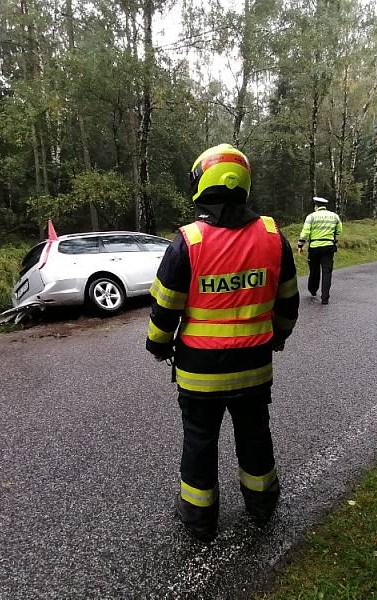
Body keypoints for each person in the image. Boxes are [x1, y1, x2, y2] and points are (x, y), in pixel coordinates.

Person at [145, 143, 299, 543]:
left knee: (199, 440)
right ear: (242, 186)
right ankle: (262, 507)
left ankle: (199, 521)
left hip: (200, 373)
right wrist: (277, 337)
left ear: (202, 184)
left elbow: (165, 310)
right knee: (254, 435)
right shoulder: (273, 237)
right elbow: (288, 304)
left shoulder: (188, 242)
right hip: (254, 367)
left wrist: (158, 345)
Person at [297, 196, 343, 305]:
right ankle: (325, 298)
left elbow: (305, 233)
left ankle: (313, 290)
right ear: (324, 206)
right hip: (328, 247)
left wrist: (300, 245)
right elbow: (339, 231)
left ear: (316, 206)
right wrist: (334, 239)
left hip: (314, 247)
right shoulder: (334, 216)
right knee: (327, 272)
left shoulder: (311, 217)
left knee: (314, 269)